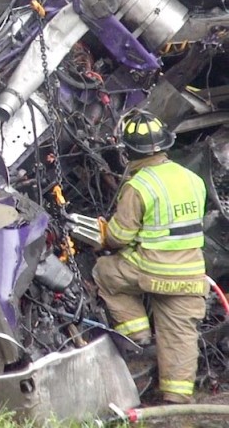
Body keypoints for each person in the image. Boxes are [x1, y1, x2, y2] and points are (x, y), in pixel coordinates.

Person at [93, 109, 208, 404]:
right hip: (190, 275)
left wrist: (101, 237)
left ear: (130, 152)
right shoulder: (193, 179)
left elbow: (119, 236)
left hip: (151, 271)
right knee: (180, 336)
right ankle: (176, 400)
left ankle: (138, 337)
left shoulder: (140, 185)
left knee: (105, 272)